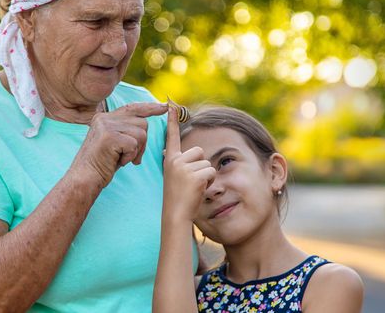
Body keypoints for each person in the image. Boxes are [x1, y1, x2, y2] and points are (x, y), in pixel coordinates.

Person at [0, 0, 181, 311]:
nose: (117, 47)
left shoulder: (145, 110)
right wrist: (87, 174)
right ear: (28, 20)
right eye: (95, 22)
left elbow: (189, 266)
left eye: (131, 22)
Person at [153, 106, 364, 313]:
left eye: (225, 162)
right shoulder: (189, 292)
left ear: (275, 172)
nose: (212, 189)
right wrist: (178, 215)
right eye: (194, 179)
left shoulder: (329, 284)